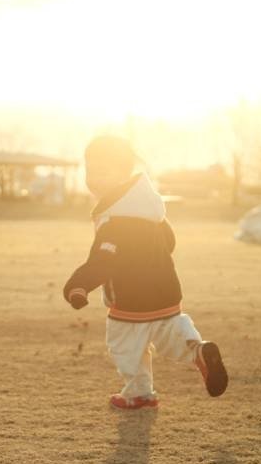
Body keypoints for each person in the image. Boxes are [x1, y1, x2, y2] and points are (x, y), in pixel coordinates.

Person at [63, 135, 229, 410]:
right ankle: (198, 350)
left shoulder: (116, 219)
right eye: (90, 171)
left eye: (102, 172)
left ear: (123, 173)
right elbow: (170, 242)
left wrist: (76, 287)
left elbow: (102, 262)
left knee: (126, 346)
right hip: (167, 293)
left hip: (131, 298)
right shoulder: (150, 209)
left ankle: (140, 393)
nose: (94, 178)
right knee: (171, 335)